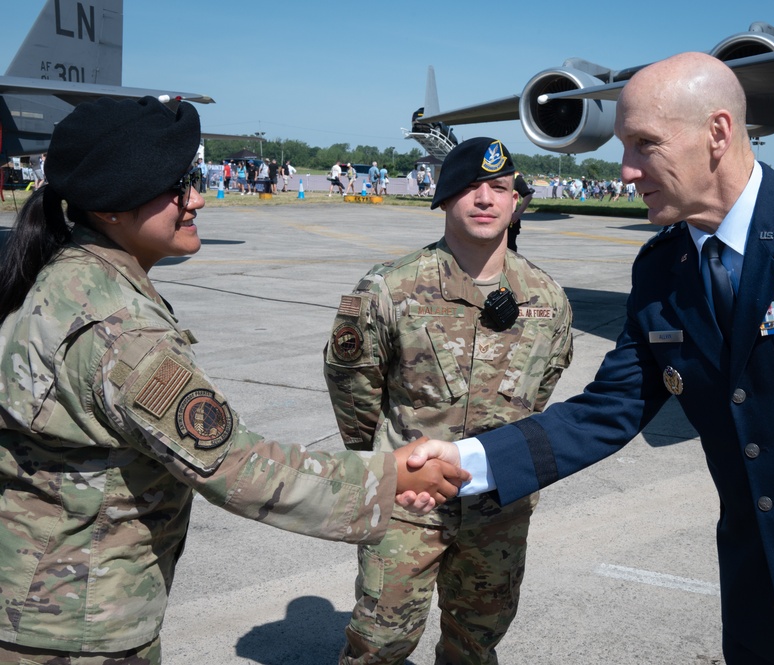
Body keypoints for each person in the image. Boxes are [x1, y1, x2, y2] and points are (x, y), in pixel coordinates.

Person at [406, 53, 774, 664]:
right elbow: (607, 410)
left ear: (717, 133)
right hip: (762, 603)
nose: (627, 170)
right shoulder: (664, 269)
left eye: (644, 144)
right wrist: (465, 461)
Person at [0, 96, 468, 665]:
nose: (195, 198)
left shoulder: (70, 276)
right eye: (176, 186)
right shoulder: (121, 331)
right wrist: (387, 475)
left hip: (41, 600)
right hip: (78, 625)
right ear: (112, 205)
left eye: (191, 179)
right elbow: (235, 465)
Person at [325, 137, 574, 665]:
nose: (485, 199)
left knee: (477, 642)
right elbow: (353, 389)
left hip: (498, 506)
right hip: (408, 504)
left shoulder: (547, 299)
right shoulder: (390, 289)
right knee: (380, 641)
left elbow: (541, 390)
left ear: (514, 203)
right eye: (470, 187)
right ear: (443, 199)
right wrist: (385, 465)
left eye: (499, 188)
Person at [507, 171, 534, 252]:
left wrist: (518, 213)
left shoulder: (515, 178)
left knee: (509, 247)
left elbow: (528, 196)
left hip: (510, 219)